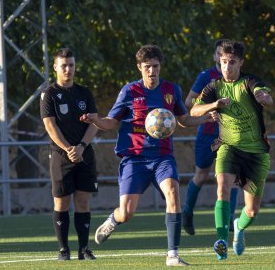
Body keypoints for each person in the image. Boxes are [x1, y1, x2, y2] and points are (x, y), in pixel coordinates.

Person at [80, 44, 212, 267]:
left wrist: (204, 118)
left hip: (162, 157)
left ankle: (172, 254)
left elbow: (183, 119)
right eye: (148, 67)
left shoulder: (172, 90)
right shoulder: (130, 91)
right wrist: (95, 120)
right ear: (139, 67)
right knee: (127, 212)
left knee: (173, 192)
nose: (152, 71)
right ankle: (114, 219)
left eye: (156, 66)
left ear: (160, 67)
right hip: (135, 159)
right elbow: (112, 122)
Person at [190, 40, 273, 261]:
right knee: (222, 188)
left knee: (252, 211)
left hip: (256, 153)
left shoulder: (250, 82)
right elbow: (195, 109)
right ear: (219, 61)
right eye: (223, 62)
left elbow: (264, 93)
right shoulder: (214, 87)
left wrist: (264, 97)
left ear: (241, 62)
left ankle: (239, 226)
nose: (226, 67)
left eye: (232, 62)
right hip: (228, 147)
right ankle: (221, 242)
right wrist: (213, 105)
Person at [40, 48, 98, 260]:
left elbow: (94, 123)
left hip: (84, 153)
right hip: (61, 156)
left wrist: (81, 146)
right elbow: (50, 126)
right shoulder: (49, 94)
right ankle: (64, 250)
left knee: (83, 201)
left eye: (71, 65)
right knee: (61, 202)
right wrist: (68, 149)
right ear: (55, 67)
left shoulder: (85, 92)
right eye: (63, 65)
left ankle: (84, 249)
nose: (68, 69)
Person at [182, 39, 239, 235]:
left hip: (230, 135)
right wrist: (211, 106)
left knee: (230, 178)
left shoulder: (237, 78)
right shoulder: (206, 76)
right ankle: (187, 212)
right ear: (216, 56)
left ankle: (229, 219)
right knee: (201, 175)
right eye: (220, 55)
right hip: (207, 134)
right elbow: (189, 101)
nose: (224, 61)